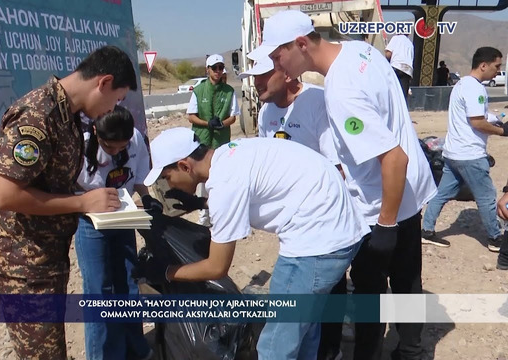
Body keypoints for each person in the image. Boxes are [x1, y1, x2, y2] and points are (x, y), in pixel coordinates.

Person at [248, 10, 437, 360]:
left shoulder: (340, 90)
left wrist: (384, 225)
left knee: (368, 293)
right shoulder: (358, 51)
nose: (278, 66)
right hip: (407, 194)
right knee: (408, 279)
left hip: (379, 203)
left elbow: (394, 158)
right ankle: (411, 347)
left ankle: (369, 354)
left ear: (301, 44)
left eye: (278, 57)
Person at [141, 127, 370, 360]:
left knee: (275, 345)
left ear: (185, 166)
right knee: (304, 325)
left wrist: (167, 272)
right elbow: (252, 190)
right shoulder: (232, 152)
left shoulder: (224, 183)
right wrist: (201, 203)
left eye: (167, 177)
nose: (169, 184)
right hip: (341, 230)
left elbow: (216, 267)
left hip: (316, 245)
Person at [0, 45, 137, 360]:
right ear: (103, 83)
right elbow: (5, 195)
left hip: (44, 258)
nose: (111, 110)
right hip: (23, 263)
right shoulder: (39, 115)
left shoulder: (69, 116)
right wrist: (81, 204)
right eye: (115, 100)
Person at [240, 56, 344, 360]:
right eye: (253, 76)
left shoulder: (316, 103)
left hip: (324, 216)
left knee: (329, 286)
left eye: (262, 75)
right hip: (292, 222)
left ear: (285, 74)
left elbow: (337, 167)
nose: (256, 83)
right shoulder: (266, 112)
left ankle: (330, 350)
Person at [75, 105, 157, 360]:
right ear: (98, 135)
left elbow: (141, 175)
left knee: (129, 284)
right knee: (99, 290)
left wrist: (147, 198)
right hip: (91, 223)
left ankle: (133, 349)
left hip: (123, 216)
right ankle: (103, 355)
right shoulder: (81, 143)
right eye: (110, 148)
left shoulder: (134, 139)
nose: (117, 152)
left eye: (122, 148)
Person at [422, 47, 507, 252]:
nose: (498, 71)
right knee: (486, 196)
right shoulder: (474, 88)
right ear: (483, 65)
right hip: (470, 155)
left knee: (442, 193)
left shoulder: (462, 85)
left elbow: (476, 117)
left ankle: (426, 230)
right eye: (497, 66)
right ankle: (495, 238)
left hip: (453, 153)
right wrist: (501, 131)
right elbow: (477, 122)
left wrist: (494, 120)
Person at [187, 54, 240, 227]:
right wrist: (207, 124)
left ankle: (222, 215)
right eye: (214, 68)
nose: (218, 71)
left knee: (221, 177)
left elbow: (233, 116)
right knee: (202, 180)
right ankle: (204, 218)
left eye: (220, 68)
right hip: (202, 141)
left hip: (221, 141)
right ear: (207, 70)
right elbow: (191, 117)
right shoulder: (198, 90)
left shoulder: (229, 91)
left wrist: (221, 125)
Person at [385, 34, 414, 103]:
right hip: (407, 70)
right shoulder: (410, 44)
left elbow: (388, 54)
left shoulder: (396, 38)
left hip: (396, 66)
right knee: (402, 97)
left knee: (391, 92)